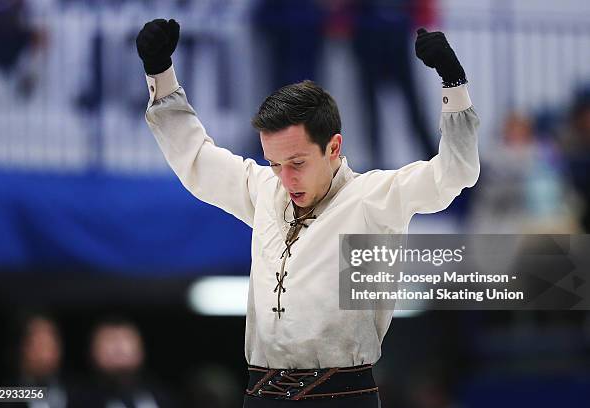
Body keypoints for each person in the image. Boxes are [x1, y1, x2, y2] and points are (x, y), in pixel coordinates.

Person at [136, 19, 479, 407]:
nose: (285, 178)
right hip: (259, 395)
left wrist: (454, 84)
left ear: (333, 148)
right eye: (275, 163)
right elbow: (195, 158)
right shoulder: (266, 190)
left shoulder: (374, 198)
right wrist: (160, 73)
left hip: (342, 396)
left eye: (296, 162)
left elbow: (456, 173)